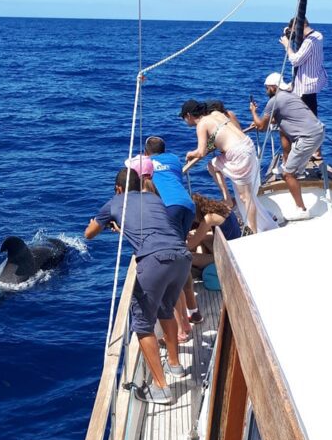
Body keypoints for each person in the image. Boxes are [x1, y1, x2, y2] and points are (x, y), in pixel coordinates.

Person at [85, 168, 192, 406]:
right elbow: (153, 227)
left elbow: (89, 234)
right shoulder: (154, 198)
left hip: (155, 261)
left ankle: (161, 389)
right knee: (166, 310)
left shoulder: (115, 202)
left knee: (143, 325)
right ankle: (174, 365)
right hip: (182, 257)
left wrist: (95, 223)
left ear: (118, 188)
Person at [180, 99, 278, 233]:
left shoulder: (201, 124)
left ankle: (253, 232)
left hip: (238, 154)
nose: (185, 121)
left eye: (184, 118)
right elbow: (219, 134)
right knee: (212, 165)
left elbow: (201, 152)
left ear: (189, 115)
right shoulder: (216, 114)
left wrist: (190, 154)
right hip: (247, 145)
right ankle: (227, 199)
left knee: (245, 197)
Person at [143, 135, 203, 326]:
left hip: (169, 208)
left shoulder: (146, 163)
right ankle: (194, 311)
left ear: (146, 152)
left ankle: (181, 322)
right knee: (182, 254)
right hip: (187, 205)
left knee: (173, 262)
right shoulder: (174, 160)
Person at [249, 74, 325, 221]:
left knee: (287, 174)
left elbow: (262, 127)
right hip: (319, 132)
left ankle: (302, 210)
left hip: (307, 138)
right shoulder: (291, 96)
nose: (266, 91)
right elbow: (286, 117)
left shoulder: (274, 101)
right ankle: (296, 172)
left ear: (273, 87)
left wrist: (253, 111)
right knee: (292, 170)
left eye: (267, 88)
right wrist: (264, 121)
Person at [280, 17, 328, 117]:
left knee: (305, 118)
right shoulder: (318, 35)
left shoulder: (309, 41)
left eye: (295, 31)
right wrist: (288, 31)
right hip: (312, 85)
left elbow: (295, 61)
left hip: (305, 89)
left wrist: (287, 45)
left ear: (300, 27)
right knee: (312, 116)